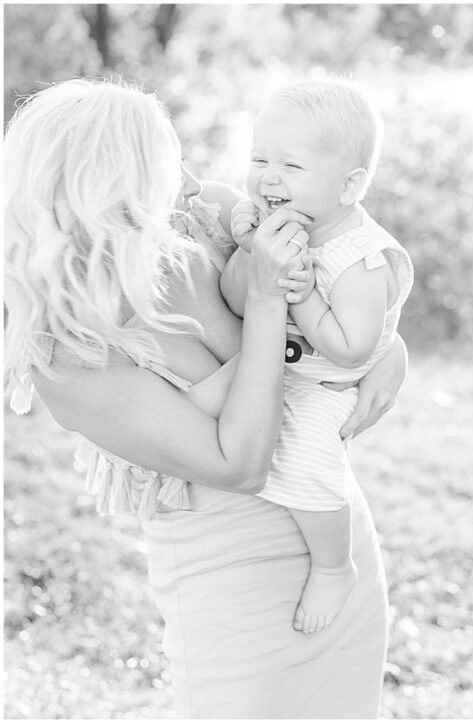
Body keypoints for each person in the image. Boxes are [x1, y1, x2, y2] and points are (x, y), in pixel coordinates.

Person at [4, 78, 403, 718]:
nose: (192, 182)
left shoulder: (207, 220)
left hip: (331, 529)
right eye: (168, 168)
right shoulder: (72, 353)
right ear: (109, 190)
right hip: (231, 578)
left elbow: (341, 287)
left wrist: (387, 347)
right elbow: (238, 463)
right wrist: (271, 299)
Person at [220, 78, 414, 635]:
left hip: (331, 383)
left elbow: (352, 350)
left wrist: (300, 292)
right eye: (259, 159)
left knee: (307, 461)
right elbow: (239, 299)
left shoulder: (358, 259)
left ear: (350, 185)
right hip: (288, 368)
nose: (268, 178)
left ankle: (334, 565)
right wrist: (250, 250)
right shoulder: (282, 226)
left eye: (291, 167)